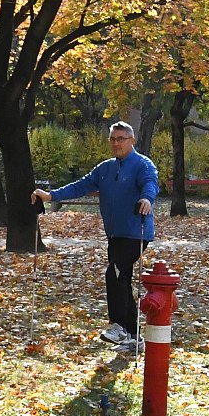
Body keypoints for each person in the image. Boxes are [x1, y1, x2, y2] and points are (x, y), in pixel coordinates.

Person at [30, 121, 158, 346]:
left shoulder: (143, 165)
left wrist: (146, 199)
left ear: (132, 140)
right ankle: (133, 336)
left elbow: (150, 184)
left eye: (121, 139)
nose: (117, 143)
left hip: (136, 233)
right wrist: (51, 196)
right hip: (115, 234)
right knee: (121, 279)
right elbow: (81, 185)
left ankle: (118, 326)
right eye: (113, 139)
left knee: (114, 274)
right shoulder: (105, 168)